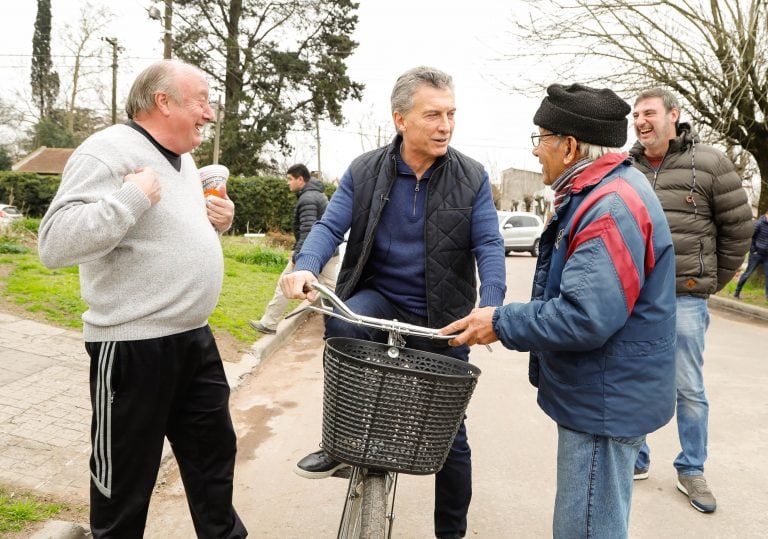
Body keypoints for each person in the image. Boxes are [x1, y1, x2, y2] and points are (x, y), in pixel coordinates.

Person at [440, 83, 678, 538]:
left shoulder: (608, 208)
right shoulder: (607, 191)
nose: (535, 153)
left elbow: (584, 316)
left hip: (603, 402)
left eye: (540, 139)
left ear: (569, 147)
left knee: (585, 528)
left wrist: (500, 321)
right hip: (607, 394)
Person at [279, 66, 507, 539]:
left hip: (444, 315)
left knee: (451, 434)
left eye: (451, 114)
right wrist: (303, 265)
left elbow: (489, 245)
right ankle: (342, 441)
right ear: (401, 118)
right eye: (433, 115)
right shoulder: (365, 169)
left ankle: (452, 532)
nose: (445, 125)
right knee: (343, 327)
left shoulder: (473, 177)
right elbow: (329, 226)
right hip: (379, 299)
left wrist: (492, 307)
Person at [37, 60, 247, 538]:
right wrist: (129, 198)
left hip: (194, 339)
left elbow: (170, 231)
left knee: (214, 460)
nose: (210, 113)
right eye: (202, 100)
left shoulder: (186, 160)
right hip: (133, 346)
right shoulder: (107, 151)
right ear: (163, 101)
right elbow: (53, 244)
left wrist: (217, 220)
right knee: (125, 482)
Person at [629, 88, 753, 513]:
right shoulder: (627, 168)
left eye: (649, 113)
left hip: (686, 298)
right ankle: (637, 456)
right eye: (636, 115)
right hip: (637, 299)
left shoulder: (710, 163)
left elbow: (739, 228)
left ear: (673, 115)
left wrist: (709, 282)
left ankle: (692, 468)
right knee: (636, 379)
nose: (641, 121)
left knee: (688, 388)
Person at [248, 163, 339, 335]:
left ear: (300, 179)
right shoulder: (317, 194)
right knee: (333, 290)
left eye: (290, 179)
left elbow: (309, 229)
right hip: (328, 252)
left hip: (314, 254)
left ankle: (269, 323)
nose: (288, 183)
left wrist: (298, 253)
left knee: (286, 282)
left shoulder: (308, 199)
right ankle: (347, 323)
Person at [734, 207, 768, 301]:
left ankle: (767, 298)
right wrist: (753, 250)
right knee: (747, 274)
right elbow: (750, 237)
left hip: (766, 256)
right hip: (756, 254)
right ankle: (737, 292)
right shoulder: (759, 223)